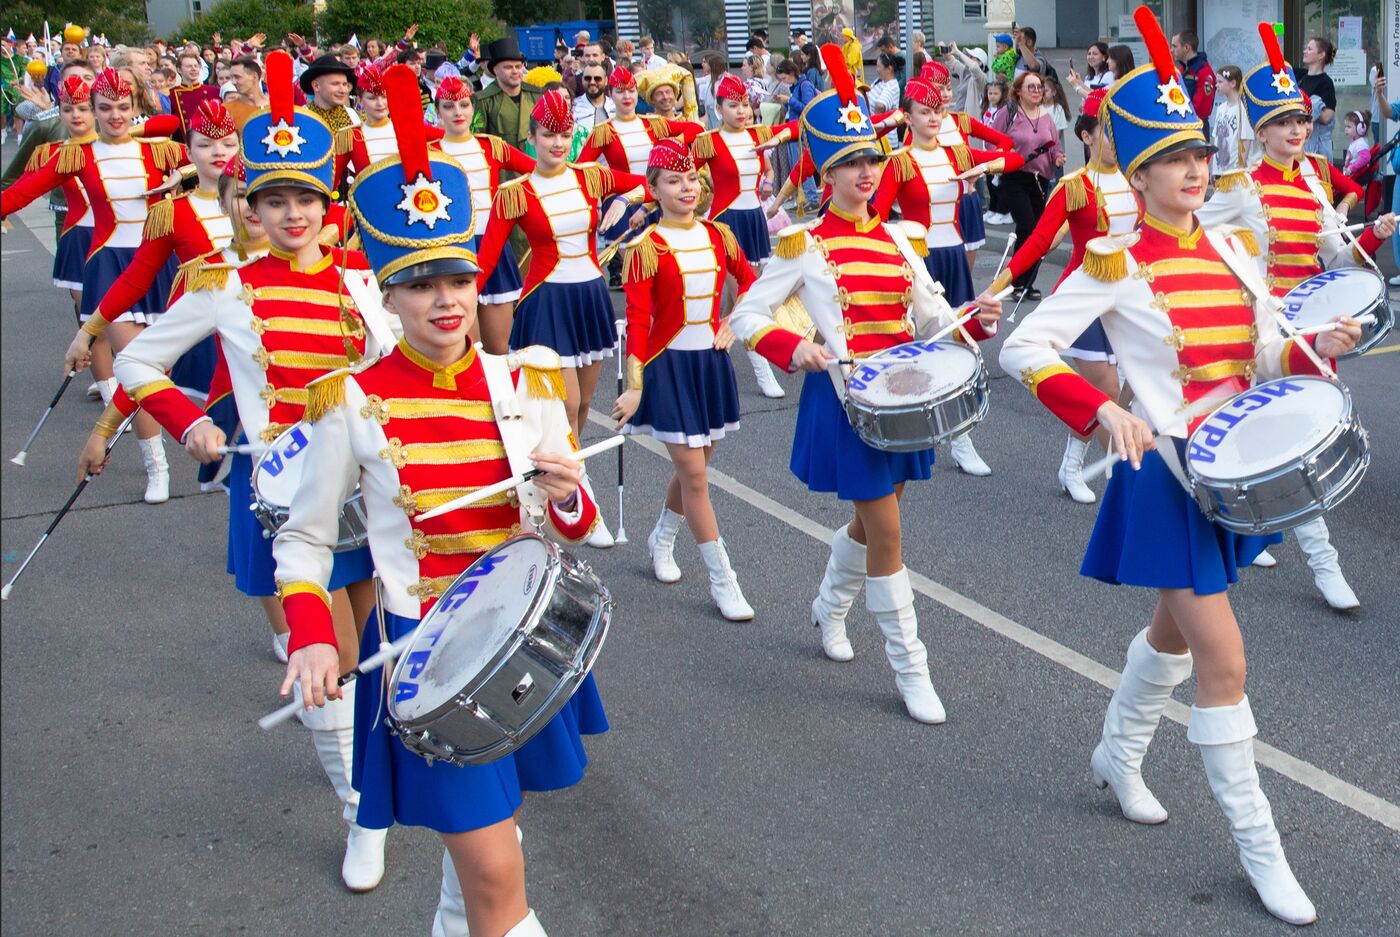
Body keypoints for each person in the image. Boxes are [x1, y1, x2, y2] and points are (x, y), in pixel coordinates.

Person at [994, 12, 1360, 926]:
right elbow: (1024, 345)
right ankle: (1260, 847)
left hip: (1233, 463)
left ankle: (1117, 754)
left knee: (1171, 633)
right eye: (1174, 159)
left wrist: (1315, 343)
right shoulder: (1117, 262)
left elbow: (1263, 355)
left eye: (1200, 154)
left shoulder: (1233, 247)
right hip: (1164, 471)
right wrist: (1101, 404)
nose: (1196, 171)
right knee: (1224, 656)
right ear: (1138, 171)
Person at [275, 65, 605, 937]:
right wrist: (313, 635)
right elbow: (306, 542)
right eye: (421, 285)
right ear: (386, 294)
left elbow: (577, 524)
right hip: (425, 657)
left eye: (457, 280)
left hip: (520, 639)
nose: (445, 301)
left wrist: (563, 491)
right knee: (499, 876)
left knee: (486, 865)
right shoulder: (348, 401)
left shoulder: (519, 380)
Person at [103, 51, 384, 891]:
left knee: (376, 637)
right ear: (251, 207)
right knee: (323, 644)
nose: (292, 213)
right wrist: (189, 423)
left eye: (306, 198)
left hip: (369, 487)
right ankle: (354, 803)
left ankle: (375, 754)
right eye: (276, 200)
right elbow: (137, 363)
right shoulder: (222, 286)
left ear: (325, 206)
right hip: (283, 486)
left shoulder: (360, 284)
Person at [728, 45, 1002, 723]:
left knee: (871, 518)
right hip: (847, 398)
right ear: (824, 171)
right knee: (888, 533)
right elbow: (746, 314)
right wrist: (799, 348)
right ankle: (912, 668)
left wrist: (975, 319)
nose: (865, 172)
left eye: (872, 159)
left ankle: (828, 608)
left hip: (903, 394)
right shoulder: (806, 246)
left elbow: (935, 314)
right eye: (850, 162)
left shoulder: (900, 239)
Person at [1195, 24, 1394, 611]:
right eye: (1284, 123)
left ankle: (1249, 531)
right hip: (1263, 327)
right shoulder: (1239, 188)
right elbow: (1193, 236)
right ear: (1262, 129)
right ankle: (1324, 565)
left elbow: (1334, 256)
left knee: (1288, 432)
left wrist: (1373, 239)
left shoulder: (1311, 180)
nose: (1297, 131)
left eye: (1302, 121)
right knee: (1296, 439)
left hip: (1313, 328)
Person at [1, 67, 187, 503]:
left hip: (160, 265)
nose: (115, 116)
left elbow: (202, 146)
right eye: (105, 108)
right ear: (94, 111)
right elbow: (22, 192)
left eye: (124, 107)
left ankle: (138, 432)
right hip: (110, 268)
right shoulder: (77, 156)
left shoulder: (159, 152)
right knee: (139, 365)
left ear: (136, 107)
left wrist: (187, 175)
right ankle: (155, 463)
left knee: (162, 370)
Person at [475, 90, 649, 548]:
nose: (557, 142)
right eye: (548, 134)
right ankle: (576, 490)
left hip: (590, 296)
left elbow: (653, 182)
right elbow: (488, 252)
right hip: (545, 301)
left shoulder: (591, 177)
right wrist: (462, 302)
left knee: (585, 405)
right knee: (566, 403)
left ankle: (567, 481)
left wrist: (630, 203)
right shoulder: (515, 193)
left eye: (565, 134)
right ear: (531, 138)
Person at [611, 139, 757, 618]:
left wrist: (733, 321)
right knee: (695, 476)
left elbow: (750, 283)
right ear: (653, 189)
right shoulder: (644, 248)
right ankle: (723, 580)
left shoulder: (719, 235)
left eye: (691, 178)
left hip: (710, 366)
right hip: (669, 367)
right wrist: (634, 385)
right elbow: (637, 318)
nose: (686, 188)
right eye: (673, 181)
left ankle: (662, 537)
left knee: (692, 468)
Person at [988, 89, 1137, 504]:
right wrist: (998, 284)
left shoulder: (1137, 180)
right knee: (1105, 392)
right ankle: (1129, 488)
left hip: (1129, 300)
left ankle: (1073, 463)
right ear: (1086, 136)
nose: (1115, 141)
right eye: (1107, 132)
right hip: (1086, 300)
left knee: (1128, 392)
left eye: (1119, 132)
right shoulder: (1074, 187)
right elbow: (1037, 242)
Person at [690, 74, 787, 400]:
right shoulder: (709, 142)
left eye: (744, 104)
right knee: (748, 299)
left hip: (754, 220)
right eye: (733, 105)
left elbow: (797, 130)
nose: (741, 111)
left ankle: (706, 361)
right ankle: (762, 371)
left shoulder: (758, 136)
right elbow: (679, 173)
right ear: (718, 109)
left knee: (738, 302)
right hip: (726, 223)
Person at [432, 75, 536, 357]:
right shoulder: (430, 155)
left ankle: (504, 401)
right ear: (437, 110)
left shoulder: (491, 146)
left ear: (473, 108)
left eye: (464, 105)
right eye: (449, 107)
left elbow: (538, 171)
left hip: (492, 245)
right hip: (452, 249)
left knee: (500, 351)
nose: (458, 113)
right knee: (466, 351)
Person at [989, 71, 1067, 301]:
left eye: (1039, 87)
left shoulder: (1047, 117)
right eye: (1031, 87)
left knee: (1033, 233)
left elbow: (1054, 145)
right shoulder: (1009, 113)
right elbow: (992, 138)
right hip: (1015, 176)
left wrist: (1058, 157)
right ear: (1018, 91)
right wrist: (1004, 152)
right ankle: (1017, 282)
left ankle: (1024, 284)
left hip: (1040, 180)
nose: (1036, 91)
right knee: (1028, 227)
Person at [472, 37, 544, 153]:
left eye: (518, 66)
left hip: (534, 166)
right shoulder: (484, 99)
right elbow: (478, 141)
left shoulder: (536, 95)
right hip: (504, 167)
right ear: (495, 70)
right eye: (508, 67)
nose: (515, 71)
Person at [1209, 65, 1253, 174]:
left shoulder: (1243, 109)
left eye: (1220, 82)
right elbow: (1215, 139)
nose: (1216, 85)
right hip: (1218, 167)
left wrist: (1240, 168)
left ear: (1232, 83)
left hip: (1234, 169)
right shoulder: (1220, 108)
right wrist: (1211, 167)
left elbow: (1246, 139)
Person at [1299, 36, 1337, 159]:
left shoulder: (1326, 82)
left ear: (1321, 55)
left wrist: (1306, 109)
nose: (1305, 51)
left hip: (1317, 148)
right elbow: (1274, 66)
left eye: (1309, 49)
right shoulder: (1299, 76)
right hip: (1300, 144)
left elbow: (1327, 117)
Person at [170, 50, 221, 139]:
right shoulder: (171, 95)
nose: (194, 69)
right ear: (179, 69)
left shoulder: (214, 92)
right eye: (189, 66)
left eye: (196, 66)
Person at [982, 76, 1011, 224]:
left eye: (995, 93)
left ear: (1002, 94)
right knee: (990, 181)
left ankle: (1004, 211)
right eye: (989, 93)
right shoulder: (987, 107)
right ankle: (993, 209)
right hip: (987, 149)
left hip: (999, 150)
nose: (992, 96)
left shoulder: (1004, 110)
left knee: (1000, 182)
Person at [1170, 30, 1215, 121]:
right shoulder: (1183, 70)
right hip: (1182, 124)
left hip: (1196, 126)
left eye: (1175, 46)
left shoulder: (1204, 72)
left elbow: (1202, 109)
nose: (1171, 50)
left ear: (1186, 48)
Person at [225, 55, 266, 129]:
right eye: (231, 78)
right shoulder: (226, 110)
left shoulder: (277, 107)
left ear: (254, 76)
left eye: (237, 77)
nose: (233, 82)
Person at [572, 62, 614, 131]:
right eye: (587, 78)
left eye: (597, 78)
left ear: (606, 80)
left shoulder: (616, 107)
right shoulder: (573, 107)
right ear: (582, 80)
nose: (592, 82)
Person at [1342, 110, 1372, 176]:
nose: (1346, 129)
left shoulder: (1361, 143)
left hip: (1354, 176)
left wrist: (1351, 168)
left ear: (1360, 128)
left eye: (1349, 127)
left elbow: (1366, 158)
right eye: (1345, 126)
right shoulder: (1355, 141)